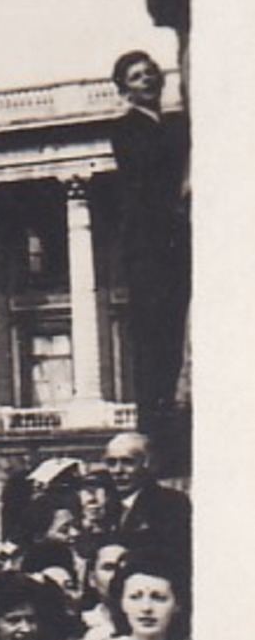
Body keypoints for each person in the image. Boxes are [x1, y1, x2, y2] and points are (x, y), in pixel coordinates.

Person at [107, 50, 189, 455]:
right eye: (138, 76)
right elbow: (148, 176)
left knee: (174, 337)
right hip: (150, 248)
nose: (148, 79)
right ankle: (156, 431)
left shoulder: (174, 123)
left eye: (151, 71)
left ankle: (169, 421)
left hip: (173, 245)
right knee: (154, 341)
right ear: (126, 90)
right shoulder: (125, 129)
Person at [104, 431, 191, 562]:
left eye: (127, 462)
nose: (118, 470)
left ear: (149, 464)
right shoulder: (107, 504)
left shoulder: (170, 504)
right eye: (111, 463)